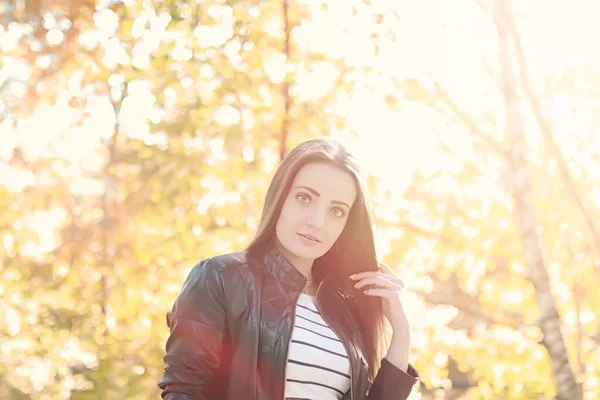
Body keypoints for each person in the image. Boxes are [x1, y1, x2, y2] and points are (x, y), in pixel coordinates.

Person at [157, 137, 419, 399]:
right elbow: (184, 390)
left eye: (336, 211)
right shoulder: (221, 278)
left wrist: (402, 331)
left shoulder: (345, 310)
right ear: (280, 196)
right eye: (304, 198)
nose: (317, 221)